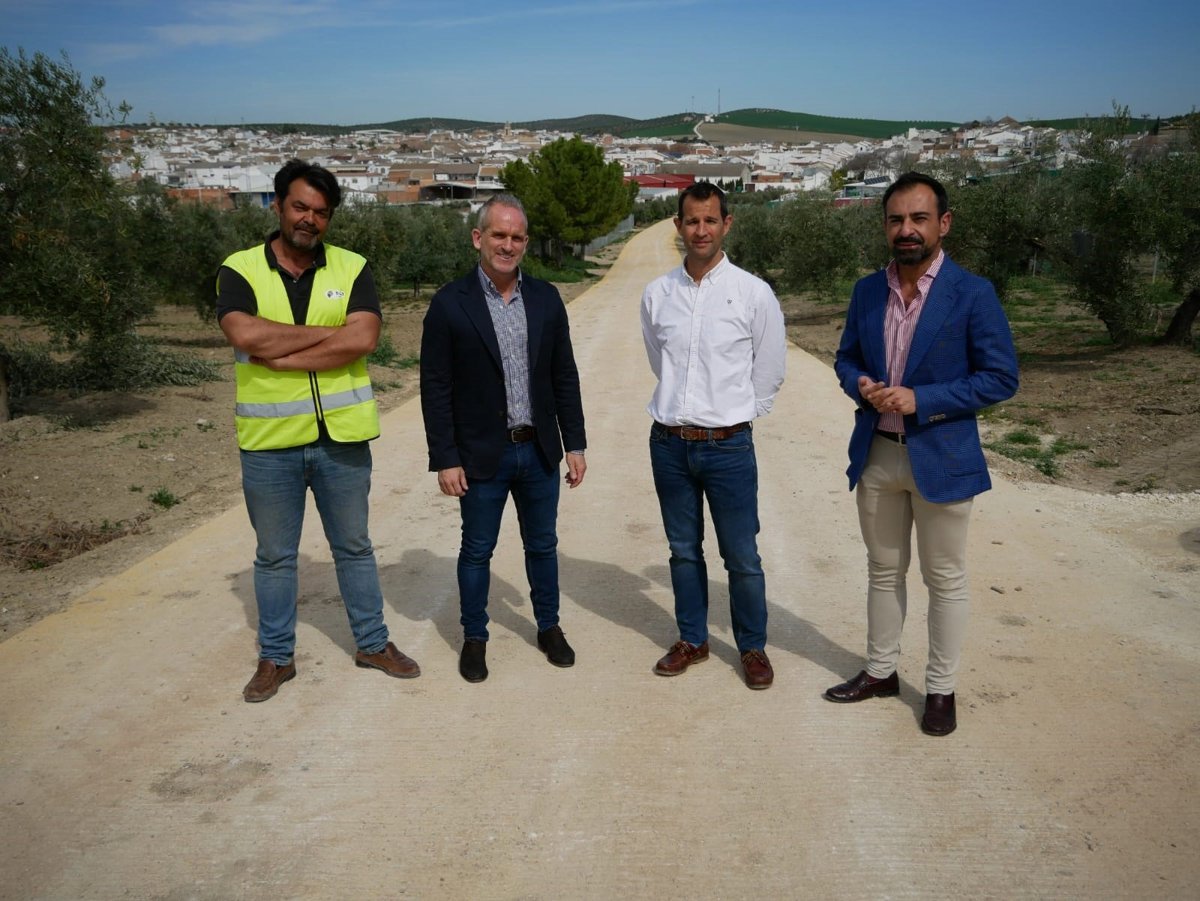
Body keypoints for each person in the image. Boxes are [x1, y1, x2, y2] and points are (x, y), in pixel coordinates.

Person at [217, 159, 420, 703]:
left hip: (342, 439)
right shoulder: (239, 269)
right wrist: (325, 335)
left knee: (354, 547)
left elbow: (363, 339)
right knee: (275, 556)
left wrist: (282, 351)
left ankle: (372, 644)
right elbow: (244, 334)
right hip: (270, 446)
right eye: (300, 207)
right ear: (277, 205)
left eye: (321, 212)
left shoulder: (352, 268)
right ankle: (276, 658)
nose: (309, 219)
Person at [824, 171, 1019, 735]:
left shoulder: (972, 293)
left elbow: (1001, 377)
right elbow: (845, 359)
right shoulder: (867, 291)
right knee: (883, 571)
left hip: (943, 456)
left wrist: (922, 399)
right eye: (896, 219)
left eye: (918, 218)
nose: (906, 229)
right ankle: (881, 671)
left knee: (945, 578)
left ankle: (940, 689)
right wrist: (860, 383)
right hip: (878, 453)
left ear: (943, 223)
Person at [420, 194, 587, 683]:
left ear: (526, 243)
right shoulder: (449, 304)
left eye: (516, 237)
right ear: (478, 238)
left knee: (543, 545)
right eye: (498, 235)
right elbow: (435, 387)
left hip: (538, 451)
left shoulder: (547, 298)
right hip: (480, 455)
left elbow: (564, 375)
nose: (507, 245)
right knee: (477, 550)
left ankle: (549, 627)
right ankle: (475, 637)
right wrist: (445, 457)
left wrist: (575, 444)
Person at [640, 182, 787, 690]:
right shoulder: (657, 294)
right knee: (683, 549)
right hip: (669, 445)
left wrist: (735, 418)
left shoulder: (753, 293)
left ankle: (752, 647)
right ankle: (692, 640)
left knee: (742, 555)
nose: (700, 230)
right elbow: (659, 361)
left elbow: (769, 369)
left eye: (709, 220)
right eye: (691, 221)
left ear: (727, 224)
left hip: (729, 447)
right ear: (678, 226)